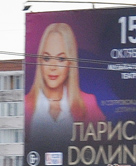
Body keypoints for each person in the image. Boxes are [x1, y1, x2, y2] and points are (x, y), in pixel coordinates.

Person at [25, 22, 106, 154]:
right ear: (40, 61)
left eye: (61, 59)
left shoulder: (88, 104)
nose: (53, 66)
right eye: (46, 58)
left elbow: (109, 153)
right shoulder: (26, 106)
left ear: (70, 63)